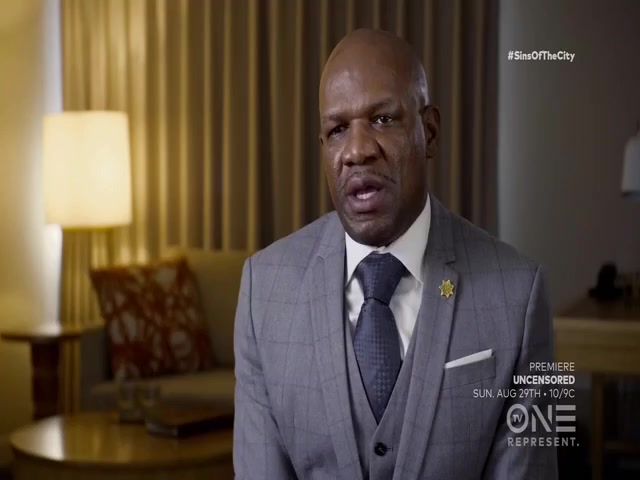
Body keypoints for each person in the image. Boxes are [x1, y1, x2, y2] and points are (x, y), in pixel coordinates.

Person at [233, 29, 557, 479]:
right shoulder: (262, 291)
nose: (357, 151)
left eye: (383, 119)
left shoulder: (520, 295)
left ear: (430, 132)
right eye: (337, 130)